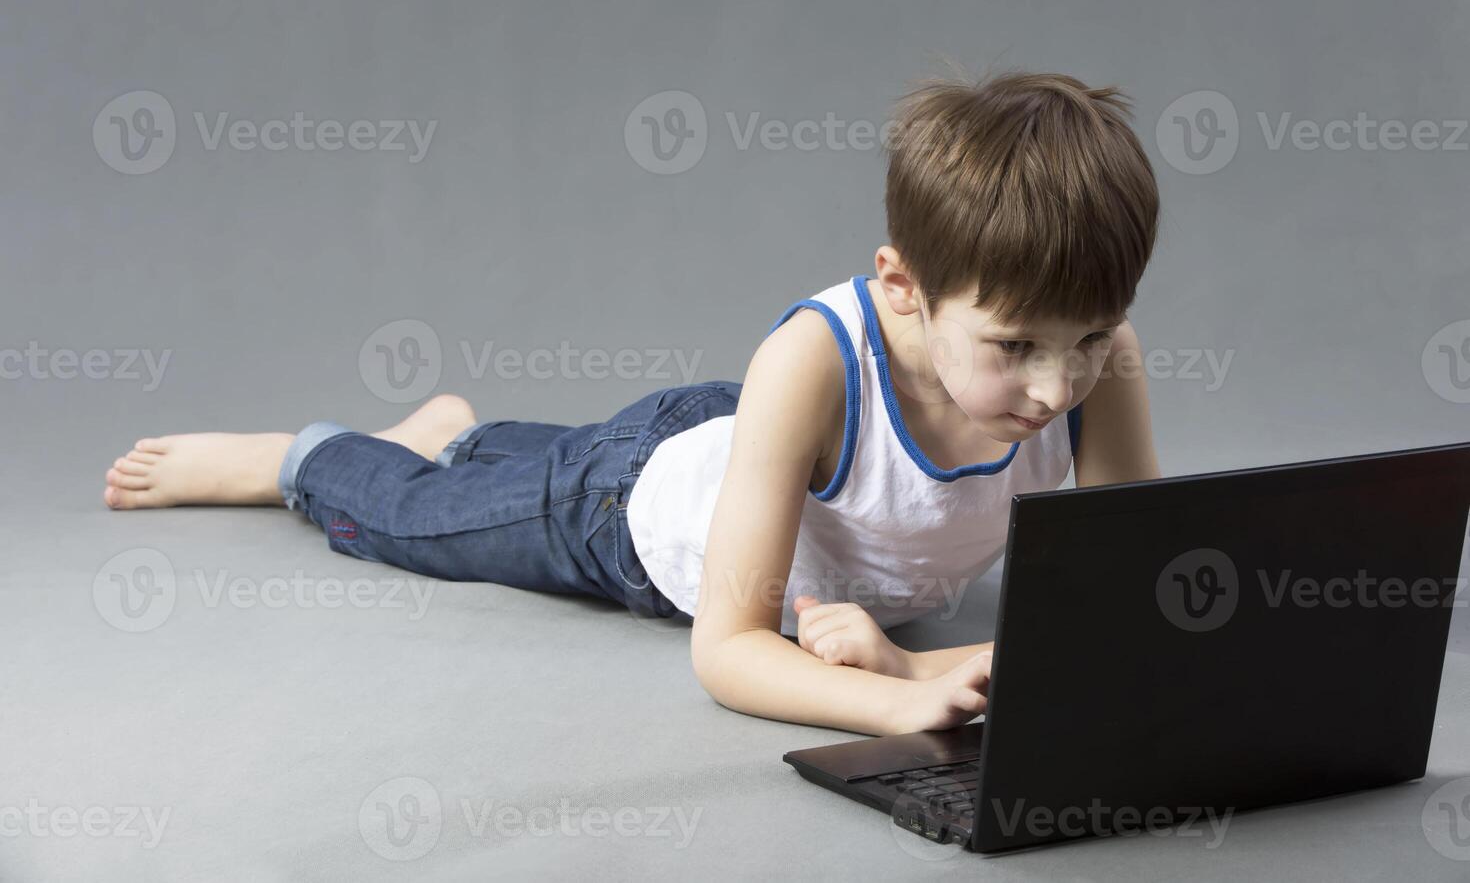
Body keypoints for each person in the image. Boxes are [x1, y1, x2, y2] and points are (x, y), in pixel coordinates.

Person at [102, 69, 1161, 737]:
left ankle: (459, 434)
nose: (1058, 385)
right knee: (425, 521)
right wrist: (893, 696)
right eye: (1016, 346)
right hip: (638, 515)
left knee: (527, 462)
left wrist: (912, 652)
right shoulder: (815, 361)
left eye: (1087, 341)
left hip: (751, 457)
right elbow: (729, 648)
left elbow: (1111, 595)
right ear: (902, 289)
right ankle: (304, 456)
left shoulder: (1092, 356)